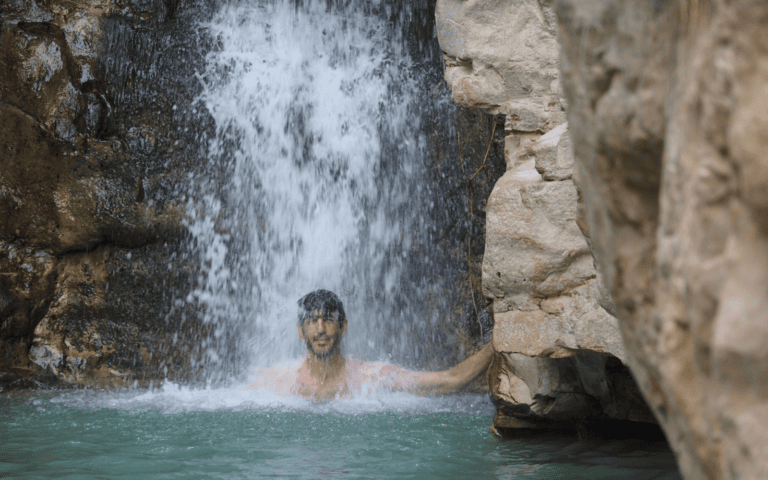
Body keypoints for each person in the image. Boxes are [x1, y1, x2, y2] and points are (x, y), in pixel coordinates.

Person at [248, 289, 494, 401]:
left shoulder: (370, 378)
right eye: (313, 321)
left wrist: (498, 342)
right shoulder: (276, 381)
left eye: (329, 320)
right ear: (301, 332)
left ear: (343, 327)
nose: (321, 329)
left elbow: (449, 381)